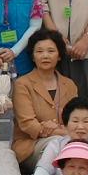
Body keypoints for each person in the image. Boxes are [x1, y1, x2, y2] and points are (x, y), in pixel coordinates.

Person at [11, 30, 77, 165]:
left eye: (51, 51)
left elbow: (75, 119)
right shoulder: (22, 84)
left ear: (59, 55)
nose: (45, 56)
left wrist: (60, 131)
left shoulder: (70, 85)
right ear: (33, 57)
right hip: (30, 146)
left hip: (65, 142)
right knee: (56, 144)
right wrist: (61, 132)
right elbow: (28, 124)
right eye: (39, 51)